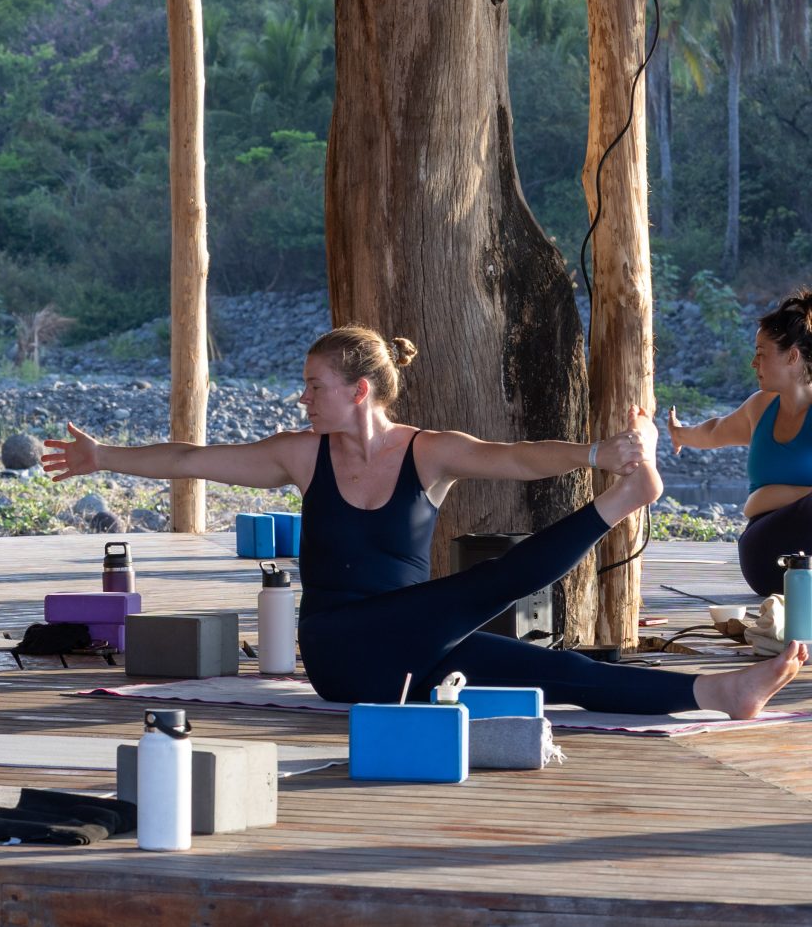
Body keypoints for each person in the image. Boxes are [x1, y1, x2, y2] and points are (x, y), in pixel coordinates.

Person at [42, 325, 807, 714]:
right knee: (491, 584)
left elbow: (514, 458)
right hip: (342, 652)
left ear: (363, 390)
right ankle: (620, 504)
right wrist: (102, 454)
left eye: (316, 386)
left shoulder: (430, 451)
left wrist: (597, 450)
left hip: (416, 643)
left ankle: (713, 693)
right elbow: (191, 458)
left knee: (559, 671)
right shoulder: (302, 456)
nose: (303, 399)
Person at [665, 289, 812, 598]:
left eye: (761, 353)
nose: (753, 363)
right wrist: (681, 434)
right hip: (765, 553)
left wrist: (769, 496)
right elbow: (716, 430)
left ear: (792, 356)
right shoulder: (761, 407)